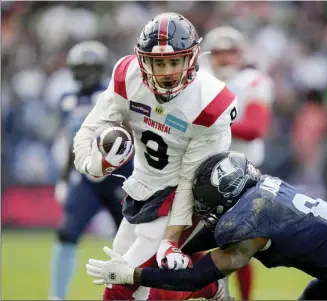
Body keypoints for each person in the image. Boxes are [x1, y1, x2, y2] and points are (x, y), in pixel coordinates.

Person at [86, 151, 327, 300]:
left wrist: (134, 273)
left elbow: (199, 275)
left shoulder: (250, 223)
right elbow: (205, 239)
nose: (208, 214)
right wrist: (160, 245)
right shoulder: (261, 191)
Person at [73, 12, 237, 300]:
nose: (166, 72)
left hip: (184, 194)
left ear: (192, 59)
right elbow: (91, 127)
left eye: (174, 61)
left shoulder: (209, 102)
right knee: (140, 285)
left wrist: (172, 239)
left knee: (120, 283)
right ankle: (209, 288)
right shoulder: (128, 75)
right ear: (142, 60)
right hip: (142, 187)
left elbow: (191, 178)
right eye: (158, 63)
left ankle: (206, 286)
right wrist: (91, 164)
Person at [48, 41, 134, 300]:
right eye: (79, 69)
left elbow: (130, 135)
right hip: (85, 177)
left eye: (88, 69)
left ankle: (138, 292)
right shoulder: (67, 100)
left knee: (133, 240)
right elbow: (72, 143)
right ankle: (57, 296)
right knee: (66, 233)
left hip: (118, 176)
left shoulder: (112, 97)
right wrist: (64, 179)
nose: (84, 75)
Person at [202, 26, 274, 300]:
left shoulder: (253, 81)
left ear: (240, 54)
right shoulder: (201, 81)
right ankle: (213, 292)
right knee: (191, 241)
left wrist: (211, 122)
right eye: (219, 52)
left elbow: (255, 128)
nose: (225, 58)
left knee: (240, 242)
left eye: (230, 52)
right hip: (205, 170)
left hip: (245, 172)